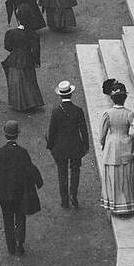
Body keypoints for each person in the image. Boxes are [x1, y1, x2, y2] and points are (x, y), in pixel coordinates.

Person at [0, 120, 44, 257]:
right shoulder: (22, 152)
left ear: (5, 134)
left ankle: (10, 246)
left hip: (4, 193)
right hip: (19, 192)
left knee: (7, 219)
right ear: (17, 135)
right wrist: (38, 181)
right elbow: (30, 168)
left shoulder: (0, 152)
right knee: (20, 216)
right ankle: (20, 244)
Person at [99, 82, 134, 222]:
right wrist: (131, 137)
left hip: (112, 145)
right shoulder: (129, 113)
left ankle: (115, 203)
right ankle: (127, 203)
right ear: (124, 98)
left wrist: (103, 144)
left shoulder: (108, 114)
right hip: (125, 144)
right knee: (125, 174)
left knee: (113, 174)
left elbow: (102, 134)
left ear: (112, 99)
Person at [45, 80, 89, 209]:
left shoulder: (56, 111)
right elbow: (84, 130)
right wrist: (85, 146)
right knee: (75, 170)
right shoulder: (78, 110)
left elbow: (52, 131)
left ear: (60, 95)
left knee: (62, 172)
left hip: (60, 147)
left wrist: (50, 145)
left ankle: (64, 200)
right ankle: (73, 195)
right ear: (71, 94)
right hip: (75, 146)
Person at [2, 10, 44, 113]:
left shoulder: (11, 33)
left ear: (18, 19)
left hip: (15, 58)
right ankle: (31, 102)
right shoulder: (32, 34)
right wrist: (36, 61)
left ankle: (17, 103)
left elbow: (7, 47)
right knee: (29, 80)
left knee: (16, 81)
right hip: (27, 58)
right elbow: (35, 49)